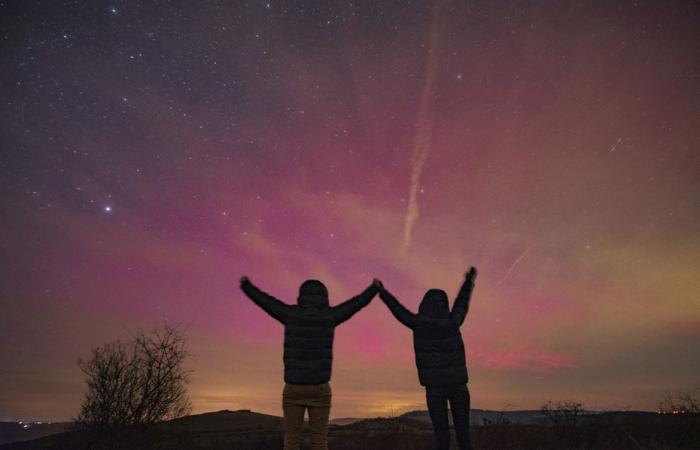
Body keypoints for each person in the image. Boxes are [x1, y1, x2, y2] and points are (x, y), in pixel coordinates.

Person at [239, 276, 378, 450]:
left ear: (301, 296)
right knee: (319, 442)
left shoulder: (290, 314)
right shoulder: (329, 316)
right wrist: (373, 289)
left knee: (291, 442)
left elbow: (266, 302)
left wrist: (247, 286)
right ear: (324, 297)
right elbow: (355, 304)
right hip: (319, 388)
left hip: (294, 388)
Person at [374, 268, 477, 450]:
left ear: (424, 304)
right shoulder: (453, 321)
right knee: (464, 435)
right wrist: (468, 282)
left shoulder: (418, 323)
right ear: (445, 304)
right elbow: (462, 303)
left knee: (441, 435)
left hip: (434, 389)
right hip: (458, 386)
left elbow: (398, 310)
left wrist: (382, 292)